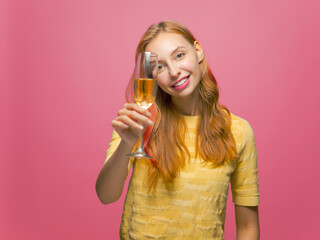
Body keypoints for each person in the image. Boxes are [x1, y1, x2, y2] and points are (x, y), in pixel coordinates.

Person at [96, 20, 260, 240]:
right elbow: (106, 195)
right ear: (151, 76)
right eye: (159, 66)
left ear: (198, 51)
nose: (174, 72)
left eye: (179, 55)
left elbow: (248, 227)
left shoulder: (239, 131)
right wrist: (127, 142)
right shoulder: (137, 121)